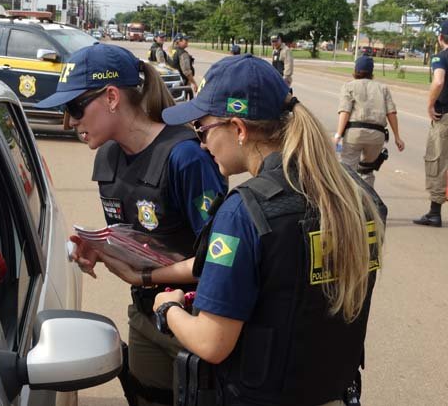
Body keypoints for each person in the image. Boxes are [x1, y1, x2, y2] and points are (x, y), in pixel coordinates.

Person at [100, 54, 386, 406]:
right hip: (336, 392)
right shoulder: (358, 195)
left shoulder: (244, 211)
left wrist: (168, 307)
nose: (202, 143)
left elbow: (212, 343)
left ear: (238, 129)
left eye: (202, 129)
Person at [37, 43, 227, 406]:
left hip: (198, 321)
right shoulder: (107, 157)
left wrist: (143, 277)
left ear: (111, 97)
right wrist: (103, 247)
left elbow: (219, 262)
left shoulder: (184, 158)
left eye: (74, 107)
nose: (70, 122)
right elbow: (142, 237)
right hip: (146, 317)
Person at [333, 56, 405, 187]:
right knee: (366, 170)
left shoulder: (349, 86)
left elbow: (345, 111)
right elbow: (391, 113)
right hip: (377, 136)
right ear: (372, 72)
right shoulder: (383, 88)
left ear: (355, 70)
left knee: (347, 170)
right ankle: (367, 202)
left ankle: (347, 201)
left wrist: (338, 135)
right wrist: (397, 137)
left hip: (354, 134)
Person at [413, 20, 448, 228]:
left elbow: (439, 81)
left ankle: (434, 213)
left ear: (440, 38)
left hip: (444, 117)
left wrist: (430, 104)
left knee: (438, 162)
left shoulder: (440, 57)